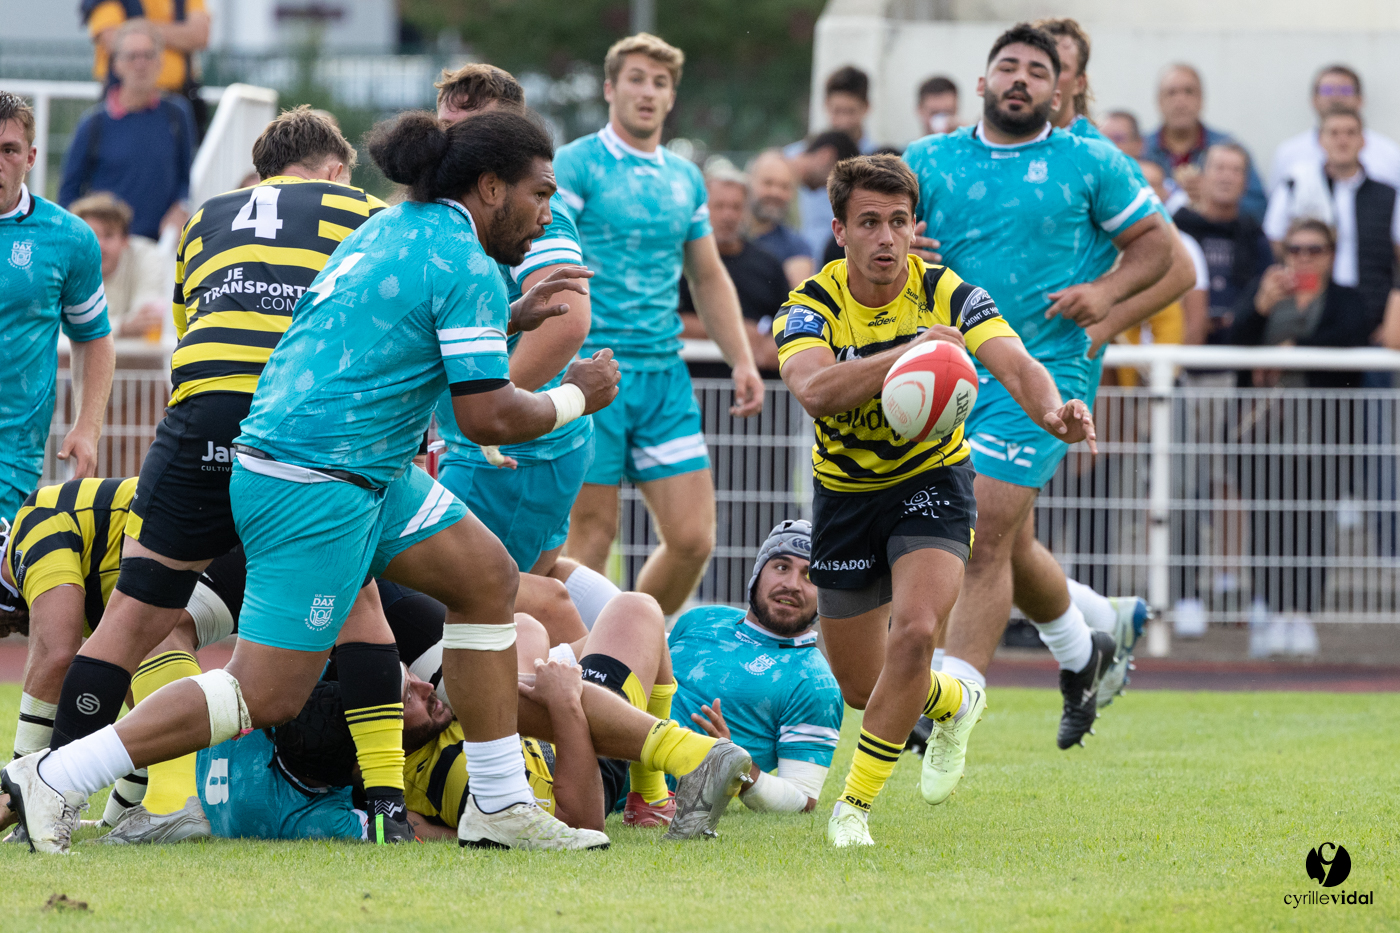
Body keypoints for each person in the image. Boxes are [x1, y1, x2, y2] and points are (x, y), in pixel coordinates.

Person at [0, 107, 634, 856]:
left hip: (350, 463)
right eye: (541, 193)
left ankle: (496, 803)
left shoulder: (402, 226)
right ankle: (50, 774)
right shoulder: (455, 257)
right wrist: (577, 396)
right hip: (317, 477)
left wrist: (504, 314)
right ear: (490, 187)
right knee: (267, 690)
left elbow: (395, 330)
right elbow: (488, 416)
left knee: (487, 576)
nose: (548, 214)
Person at [41, 106, 434, 845]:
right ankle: (385, 807)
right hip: (295, 431)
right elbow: (386, 323)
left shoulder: (206, 220)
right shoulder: (359, 211)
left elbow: (192, 332)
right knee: (360, 603)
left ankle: (53, 793)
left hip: (200, 423)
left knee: (133, 620)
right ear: (333, 170)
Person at [774, 153, 1097, 846]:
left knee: (918, 631)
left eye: (898, 221)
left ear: (914, 224)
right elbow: (814, 390)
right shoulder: (810, 305)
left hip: (934, 482)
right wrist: (908, 354)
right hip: (845, 496)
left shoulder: (947, 290)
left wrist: (1053, 411)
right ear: (839, 230)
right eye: (869, 223)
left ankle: (852, 808)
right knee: (864, 687)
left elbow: (1013, 361)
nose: (886, 237)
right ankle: (957, 700)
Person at [903, 24, 1173, 751]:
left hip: (1047, 369)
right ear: (983, 80)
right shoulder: (927, 159)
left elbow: (1164, 252)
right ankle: (1088, 651)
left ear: (1061, 89)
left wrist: (1107, 294)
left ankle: (948, 703)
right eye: (1007, 66)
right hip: (953, 365)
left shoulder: (1091, 159)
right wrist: (903, 246)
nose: (1020, 79)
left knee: (983, 526)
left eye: (1035, 71)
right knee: (1006, 537)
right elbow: (874, 236)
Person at [556, 33, 764, 615]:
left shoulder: (685, 177)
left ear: (672, 97)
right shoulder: (576, 163)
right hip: (590, 373)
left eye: (660, 82)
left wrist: (742, 359)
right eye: (637, 79)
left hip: (664, 377)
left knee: (694, 538)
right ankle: (577, 669)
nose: (648, 92)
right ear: (610, 88)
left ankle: (632, 645)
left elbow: (707, 275)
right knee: (590, 538)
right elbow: (544, 258)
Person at [429, 63, 616, 633]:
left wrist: (490, 414)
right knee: (519, 595)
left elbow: (565, 320)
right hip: (501, 449)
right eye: (444, 126)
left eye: (468, 128)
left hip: (512, 455)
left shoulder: (530, 213)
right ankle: (625, 668)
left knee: (478, 609)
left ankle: (599, 700)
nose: (448, 142)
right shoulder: (461, 213)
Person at [668, 520, 842, 813]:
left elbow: (801, 800)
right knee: (634, 609)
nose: (791, 585)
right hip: (601, 727)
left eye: (811, 576)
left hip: (634, 779)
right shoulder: (700, 618)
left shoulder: (814, 681)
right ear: (758, 573)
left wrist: (733, 762)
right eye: (781, 567)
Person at [0, 92, 115, 526]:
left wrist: (88, 427)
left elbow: (94, 337)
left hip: (10, 463)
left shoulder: (68, 238)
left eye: (8, 150)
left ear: (29, 157)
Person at [60, 21, 196, 241]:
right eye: (132, 56)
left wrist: (181, 206)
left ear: (160, 61)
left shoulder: (177, 116)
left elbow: (185, 178)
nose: (140, 64)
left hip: (157, 247)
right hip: (105, 250)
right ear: (116, 64)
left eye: (148, 55)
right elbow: (68, 193)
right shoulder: (93, 124)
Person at [1266, 108, 1400, 328]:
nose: (1342, 140)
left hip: (1373, 313)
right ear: (1320, 140)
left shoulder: (1389, 195)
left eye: (1350, 133)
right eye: (1334, 133)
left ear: (1363, 141)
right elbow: (1275, 241)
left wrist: (1392, 322)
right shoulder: (1296, 184)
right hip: (1310, 312)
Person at [678, 165, 786, 376]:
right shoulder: (682, 261)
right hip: (695, 385)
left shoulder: (768, 263)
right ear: (701, 209)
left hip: (763, 394)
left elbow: (789, 317)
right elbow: (668, 319)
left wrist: (774, 343)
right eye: (719, 206)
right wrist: (735, 332)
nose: (728, 215)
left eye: (736, 207)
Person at [1173, 144, 1275, 345]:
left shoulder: (1256, 237)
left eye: (1236, 171)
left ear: (1245, 182)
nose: (1227, 178)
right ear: (1201, 177)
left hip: (1236, 351)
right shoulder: (1178, 232)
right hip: (1180, 348)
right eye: (1219, 168)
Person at [1142, 64, 1267, 222]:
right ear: (1159, 102)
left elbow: (1259, 207)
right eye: (1171, 93)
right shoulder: (1141, 150)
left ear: (1201, 100)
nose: (1180, 101)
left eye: (1189, 92)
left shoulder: (1228, 149)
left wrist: (1218, 197)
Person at [1271, 66, 1400, 192]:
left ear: (1360, 99)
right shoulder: (1289, 153)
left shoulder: (1389, 153)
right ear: (1314, 100)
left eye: (1345, 90)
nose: (1336, 97)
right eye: (1327, 90)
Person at [69, 192, 167, 338]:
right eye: (91, 235)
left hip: (134, 360)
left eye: (108, 235)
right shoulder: (64, 263)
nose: (100, 245)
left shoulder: (146, 255)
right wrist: (122, 326)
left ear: (125, 239)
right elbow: (61, 327)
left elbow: (146, 319)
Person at [83, 0, 210, 104]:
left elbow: (199, 35)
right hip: (125, 103)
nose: (142, 62)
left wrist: (135, 30)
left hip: (179, 97)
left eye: (149, 53)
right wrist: (180, 34)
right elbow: (112, 39)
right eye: (135, 55)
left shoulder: (179, 114)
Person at [790, 131, 862, 262]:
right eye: (834, 181)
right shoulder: (780, 184)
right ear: (826, 156)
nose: (826, 188)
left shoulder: (796, 188)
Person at [746, 149, 813, 288]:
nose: (776, 192)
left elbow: (795, 300)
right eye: (768, 183)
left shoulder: (796, 248)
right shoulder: (725, 234)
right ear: (748, 183)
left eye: (784, 187)